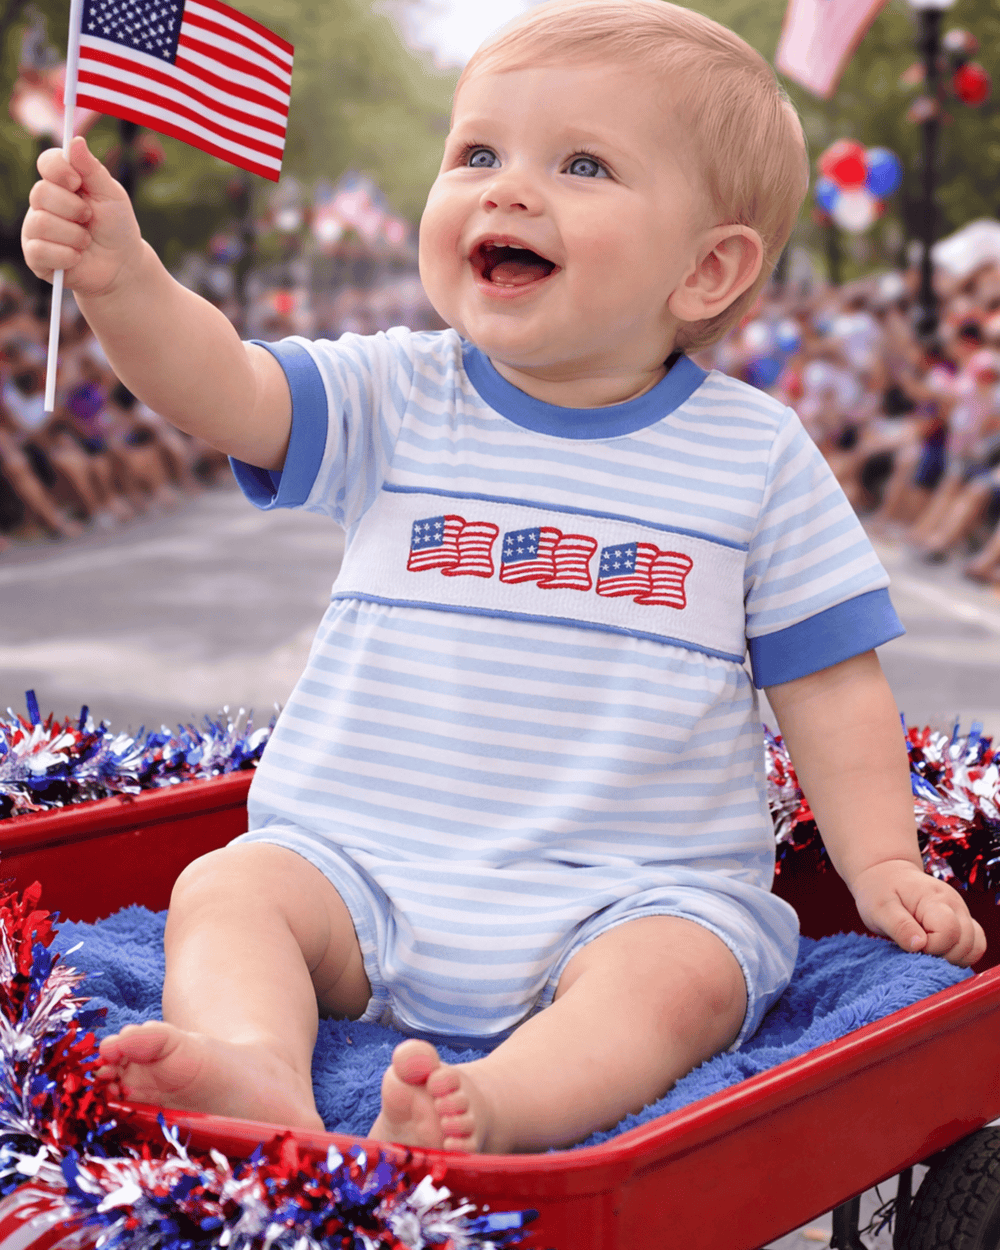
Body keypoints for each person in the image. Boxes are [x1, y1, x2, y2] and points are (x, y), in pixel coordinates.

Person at [23, 0, 985, 1156]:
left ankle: (504, 1102)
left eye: (582, 164)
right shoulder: (397, 393)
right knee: (229, 891)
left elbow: (828, 678)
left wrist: (880, 859)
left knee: (683, 975)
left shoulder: (756, 455)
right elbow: (221, 382)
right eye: (476, 152)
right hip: (362, 861)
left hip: (625, 888)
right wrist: (125, 279)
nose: (505, 188)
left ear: (708, 267)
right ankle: (256, 1063)